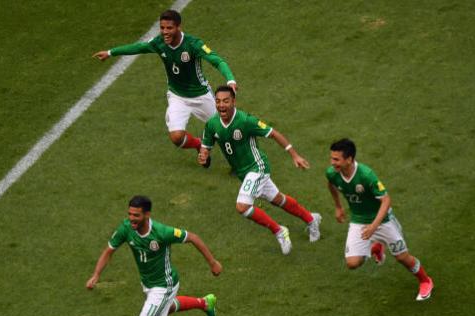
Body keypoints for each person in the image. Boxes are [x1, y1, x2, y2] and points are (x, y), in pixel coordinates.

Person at [86, 195, 222, 316]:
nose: (131, 218)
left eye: (136, 215)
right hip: (148, 285)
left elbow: (192, 237)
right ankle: (205, 303)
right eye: (130, 214)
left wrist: (213, 262)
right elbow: (109, 250)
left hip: (165, 285)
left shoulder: (162, 232)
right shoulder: (126, 229)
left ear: (147, 215)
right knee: (167, 308)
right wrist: (96, 274)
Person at [93, 9, 237, 167]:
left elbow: (217, 61)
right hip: (177, 97)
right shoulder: (159, 43)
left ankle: (243, 164)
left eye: (169, 28)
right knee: (176, 137)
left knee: (228, 130)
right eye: (162, 28)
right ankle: (199, 145)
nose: (165, 32)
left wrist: (230, 79)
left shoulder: (193, 44)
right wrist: (110, 52)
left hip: (201, 96)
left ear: (179, 27)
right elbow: (139, 47)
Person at [197, 85, 321, 255]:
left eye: (226, 101)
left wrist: (294, 155)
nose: (221, 105)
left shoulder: (246, 121)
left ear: (234, 101)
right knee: (278, 199)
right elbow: (206, 148)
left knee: (242, 206)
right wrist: (203, 156)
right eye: (218, 101)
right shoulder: (212, 124)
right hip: (243, 173)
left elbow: (273, 133)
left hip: (257, 167)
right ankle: (311, 219)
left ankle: (279, 231)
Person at [325, 138, 434, 301]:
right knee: (352, 263)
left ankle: (425, 281)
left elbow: (386, 200)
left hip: (382, 220)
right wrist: (338, 206)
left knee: (402, 257)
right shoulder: (332, 173)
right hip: (358, 220)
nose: (332, 163)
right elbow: (331, 184)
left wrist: (373, 227)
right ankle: (376, 246)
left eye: (336, 159)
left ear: (349, 159)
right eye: (331, 158)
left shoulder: (366, 175)